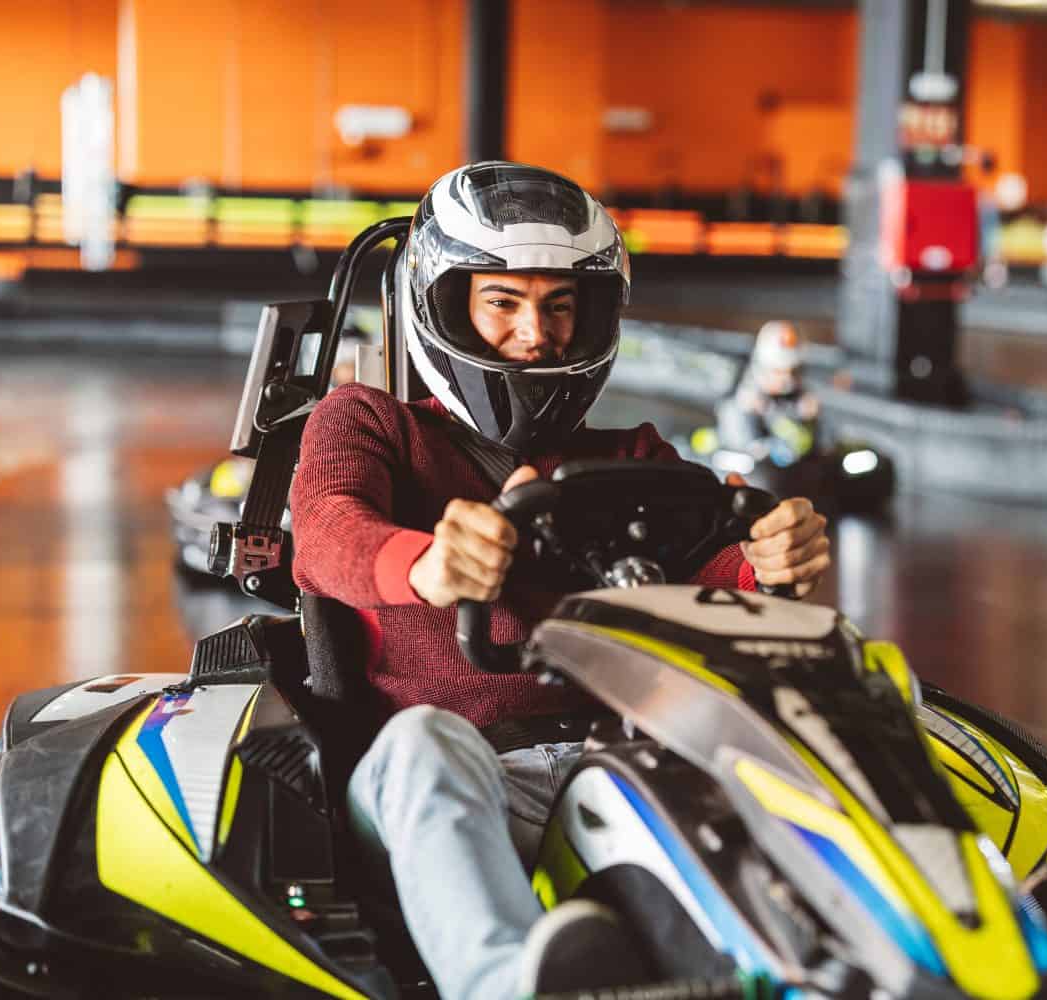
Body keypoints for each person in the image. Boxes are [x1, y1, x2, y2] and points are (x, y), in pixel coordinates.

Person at [289, 162, 831, 999]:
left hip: (611, 765)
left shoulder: (632, 457)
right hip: (440, 780)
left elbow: (704, 578)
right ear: (447, 308)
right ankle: (508, 985)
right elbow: (327, 531)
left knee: (800, 712)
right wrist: (424, 562)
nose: (536, 337)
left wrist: (768, 559)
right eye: (503, 304)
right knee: (426, 745)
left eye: (559, 307)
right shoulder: (369, 422)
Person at [717, 320, 821, 456]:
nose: (787, 379)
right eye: (779, 371)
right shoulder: (740, 405)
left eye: (793, 371)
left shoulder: (800, 396)